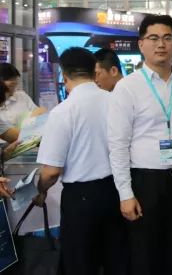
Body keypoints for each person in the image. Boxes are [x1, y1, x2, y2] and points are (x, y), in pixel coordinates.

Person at [108, 14, 172, 275]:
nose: (161, 44)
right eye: (154, 38)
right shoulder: (128, 87)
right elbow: (118, 144)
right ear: (141, 44)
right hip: (146, 183)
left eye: (168, 38)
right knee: (144, 256)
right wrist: (125, 194)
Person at [33, 47, 129, 274]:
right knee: (117, 260)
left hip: (80, 199)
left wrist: (41, 190)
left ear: (64, 75)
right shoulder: (115, 102)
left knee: (80, 264)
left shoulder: (63, 111)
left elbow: (51, 171)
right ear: (94, 72)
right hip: (117, 191)